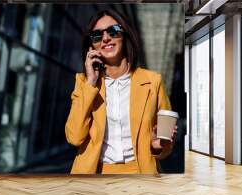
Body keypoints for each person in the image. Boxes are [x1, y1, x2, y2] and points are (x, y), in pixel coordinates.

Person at [65, 9, 177, 174]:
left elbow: (165, 140)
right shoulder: (84, 82)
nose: (105, 38)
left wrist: (158, 146)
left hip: (140, 173)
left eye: (113, 31)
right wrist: (90, 83)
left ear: (124, 34)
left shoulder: (153, 81)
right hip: (95, 175)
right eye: (97, 35)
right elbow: (74, 137)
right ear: (91, 46)